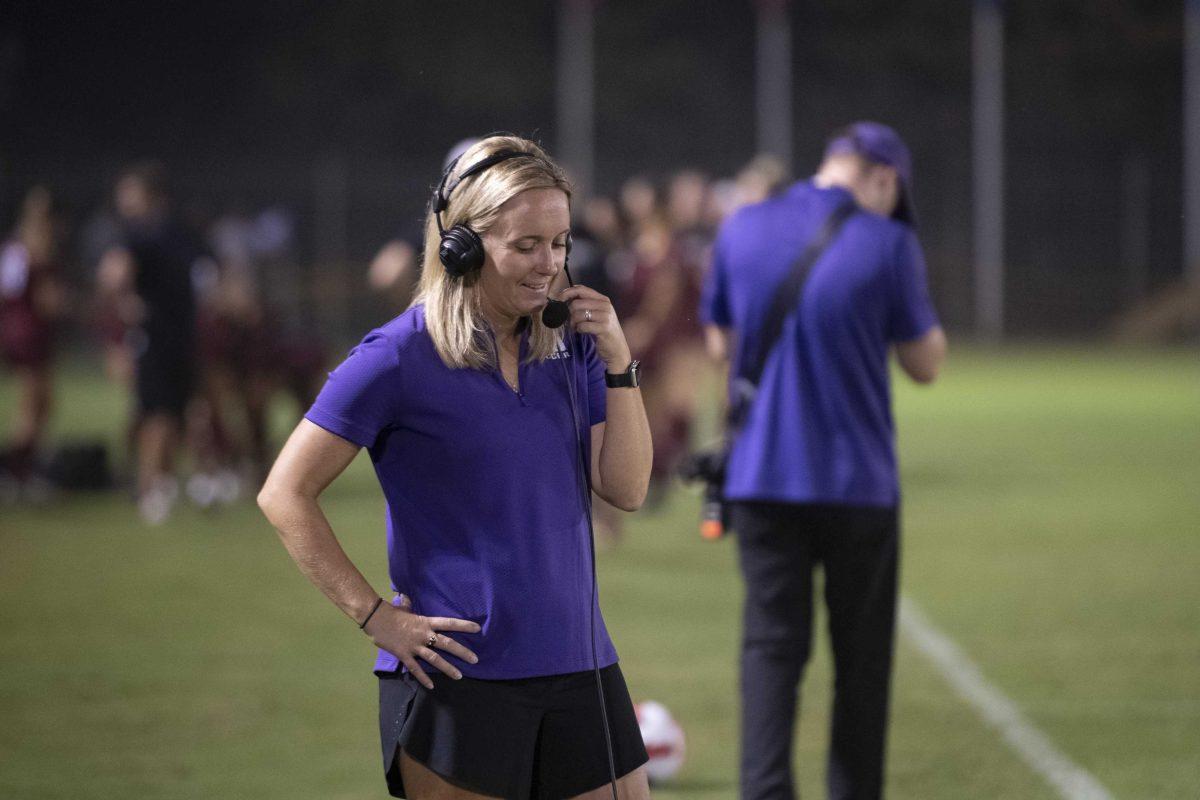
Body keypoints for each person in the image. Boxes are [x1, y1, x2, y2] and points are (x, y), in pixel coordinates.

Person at [258, 135, 654, 799]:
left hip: (581, 664)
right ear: (462, 246)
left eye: (559, 244)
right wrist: (375, 616)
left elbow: (626, 488)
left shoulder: (571, 347)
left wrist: (619, 360)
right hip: (458, 677)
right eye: (526, 245)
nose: (548, 265)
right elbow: (284, 493)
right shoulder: (395, 356)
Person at [700, 121, 947, 800]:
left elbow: (720, 346)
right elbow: (925, 362)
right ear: (883, 180)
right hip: (855, 482)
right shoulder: (890, 241)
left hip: (759, 476)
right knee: (862, 662)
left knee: (771, 649)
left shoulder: (743, 226)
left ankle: (765, 790)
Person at [97, 161, 206, 523]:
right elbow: (112, 277)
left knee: (174, 412)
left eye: (131, 194)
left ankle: (162, 483)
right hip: (155, 337)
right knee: (156, 413)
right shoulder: (136, 237)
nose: (125, 202)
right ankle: (148, 487)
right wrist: (126, 312)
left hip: (179, 335)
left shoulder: (172, 233)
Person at [0, 186, 67, 497]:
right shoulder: (29, 253)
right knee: (32, 406)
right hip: (27, 334)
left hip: (28, 333)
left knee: (42, 404)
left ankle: (24, 470)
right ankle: (15, 472)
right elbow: (40, 299)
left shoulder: (24, 250)